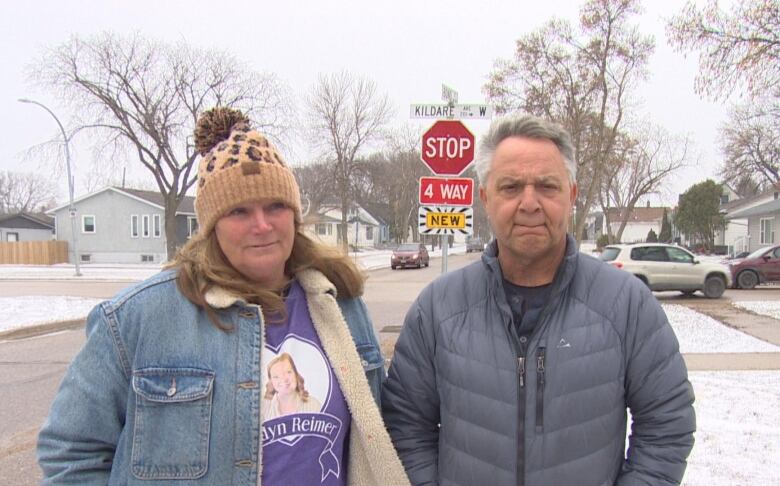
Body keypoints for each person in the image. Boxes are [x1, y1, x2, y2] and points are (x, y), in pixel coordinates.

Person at [37, 107, 410, 485]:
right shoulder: (137, 319)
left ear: (294, 216)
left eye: (275, 206)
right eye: (239, 210)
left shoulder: (340, 303)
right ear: (212, 226)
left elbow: (380, 432)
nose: (262, 225)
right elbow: (70, 452)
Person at [382, 114, 695, 485]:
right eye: (511, 187)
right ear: (485, 197)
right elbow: (405, 428)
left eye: (547, 186)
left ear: (572, 194)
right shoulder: (439, 308)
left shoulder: (626, 305)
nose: (529, 203)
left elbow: (666, 428)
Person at [262, 352, 322, 419]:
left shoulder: (313, 405)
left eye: (288, 372)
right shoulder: (263, 408)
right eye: (276, 376)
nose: (284, 379)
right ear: (271, 382)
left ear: (296, 374)